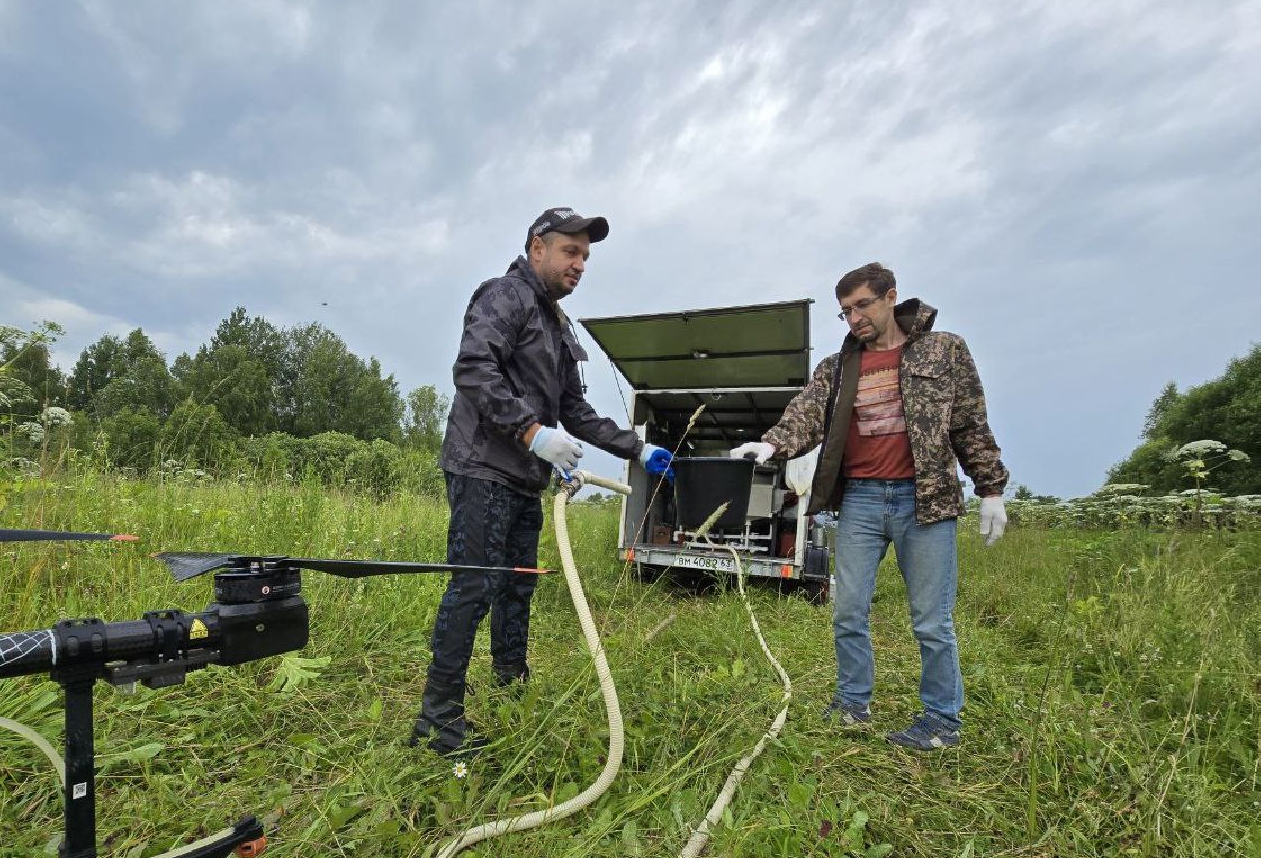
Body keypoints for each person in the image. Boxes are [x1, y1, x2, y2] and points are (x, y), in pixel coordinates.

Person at [410, 208, 675, 756]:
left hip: (525, 480)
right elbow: (473, 369)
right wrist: (532, 432)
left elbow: (575, 410)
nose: (579, 265)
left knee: (517, 586)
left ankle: (511, 690)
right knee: (474, 586)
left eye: (585, 257)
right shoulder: (503, 297)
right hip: (482, 467)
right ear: (538, 248)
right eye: (570, 252)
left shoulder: (556, 323)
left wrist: (637, 447)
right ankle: (436, 720)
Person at [731, 263, 1007, 750]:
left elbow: (969, 423)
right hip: (858, 499)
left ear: (890, 297)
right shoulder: (837, 369)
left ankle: (942, 721)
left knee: (931, 620)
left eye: (861, 305)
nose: (854, 317)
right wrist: (772, 446)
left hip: (925, 501)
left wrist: (991, 490)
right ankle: (852, 704)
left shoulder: (944, 350)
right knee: (848, 610)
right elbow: (806, 413)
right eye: (845, 311)